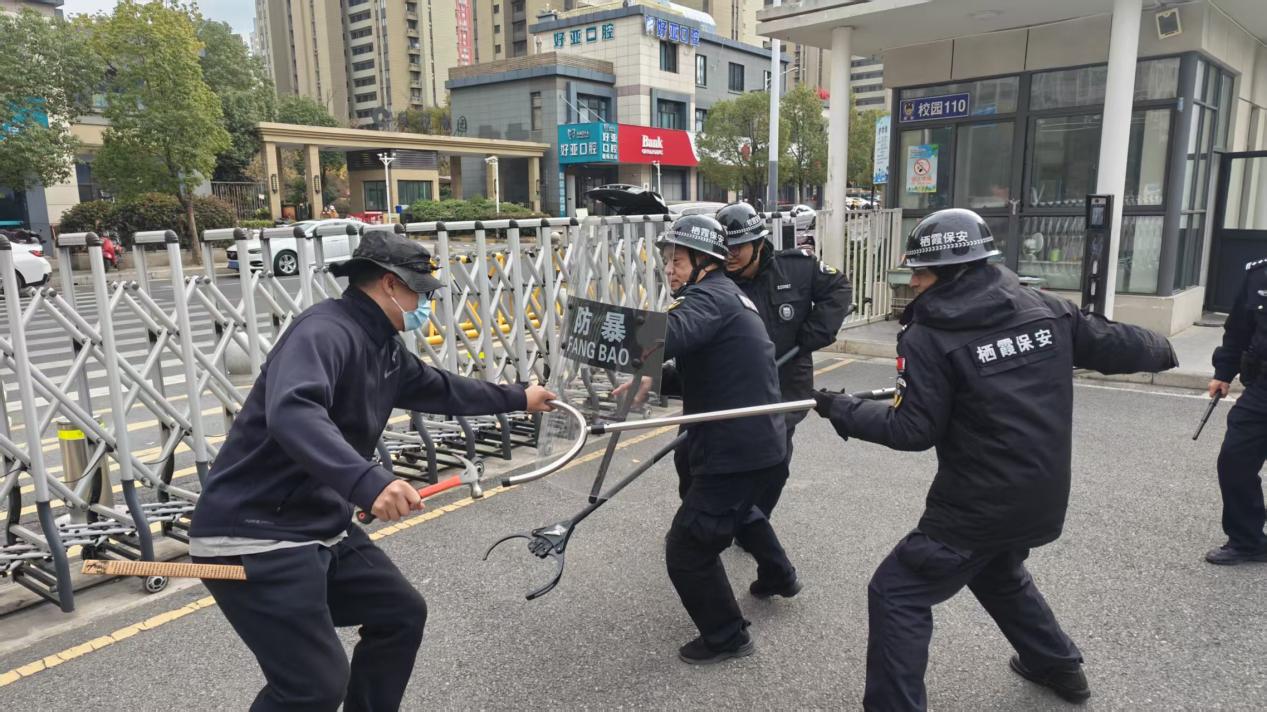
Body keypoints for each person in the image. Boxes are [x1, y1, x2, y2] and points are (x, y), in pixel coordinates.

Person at [810, 209, 1177, 710]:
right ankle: (1058, 666)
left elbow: (911, 429)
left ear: (956, 270)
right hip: (1042, 494)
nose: (912, 282)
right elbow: (1113, 343)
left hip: (974, 506)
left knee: (898, 591)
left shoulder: (930, 335)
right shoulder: (1044, 309)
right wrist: (1161, 349)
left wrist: (843, 409)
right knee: (996, 570)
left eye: (922, 272)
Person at [189, 229, 556, 712]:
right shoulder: (323, 332)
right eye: (421, 292)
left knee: (399, 614)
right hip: (255, 534)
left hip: (316, 523)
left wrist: (516, 398)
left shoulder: (380, 342)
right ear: (389, 284)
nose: (425, 303)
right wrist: (368, 481)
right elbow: (293, 412)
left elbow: (437, 388)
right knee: (312, 687)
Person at [620, 213, 798, 665]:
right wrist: (652, 381)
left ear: (704, 261)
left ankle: (727, 636)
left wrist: (594, 329)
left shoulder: (708, 299)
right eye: (667, 261)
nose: (670, 270)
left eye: (677, 260)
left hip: (734, 448)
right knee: (734, 512)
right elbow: (705, 368)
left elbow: (668, 334)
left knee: (688, 547)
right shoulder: (726, 297)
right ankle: (779, 575)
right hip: (750, 443)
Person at [715, 201, 851, 526]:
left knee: (774, 464)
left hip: (785, 385)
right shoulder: (714, 281)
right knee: (711, 459)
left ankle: (755, 524)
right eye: (725, 247)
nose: (731, 254)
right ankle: (702, 521)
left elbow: (839, 288)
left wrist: (815, 333)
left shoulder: (796, 268)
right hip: (734, 387)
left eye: (739, 246)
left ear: (759, 243)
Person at [1205, 256, 1267, 565]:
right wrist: (1223, 372)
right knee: (1234, 461)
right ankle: (1247, 541)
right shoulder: (1259, 275)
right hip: (1262, 389)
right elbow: (1238, 329)